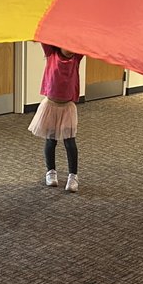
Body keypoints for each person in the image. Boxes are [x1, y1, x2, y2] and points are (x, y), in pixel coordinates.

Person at [29, 43, 83, 193]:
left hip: (67, 108)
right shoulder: (51, 54)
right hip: (51, 105)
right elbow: (45, 39)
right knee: (51, 140)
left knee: (70, 142)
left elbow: (86, 42)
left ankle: (73, 176)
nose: (71, 49)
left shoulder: (76, 58)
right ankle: (51, 171)